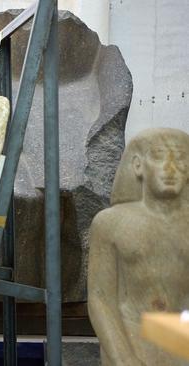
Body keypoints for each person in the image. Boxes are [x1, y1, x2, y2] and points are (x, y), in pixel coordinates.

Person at [88, 128, 189, 366]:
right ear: (137, 166)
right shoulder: (109, 223)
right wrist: (123, 357)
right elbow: (101, 298)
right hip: (130, 334)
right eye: (159, 156)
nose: (170, 168)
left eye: (181, 158)